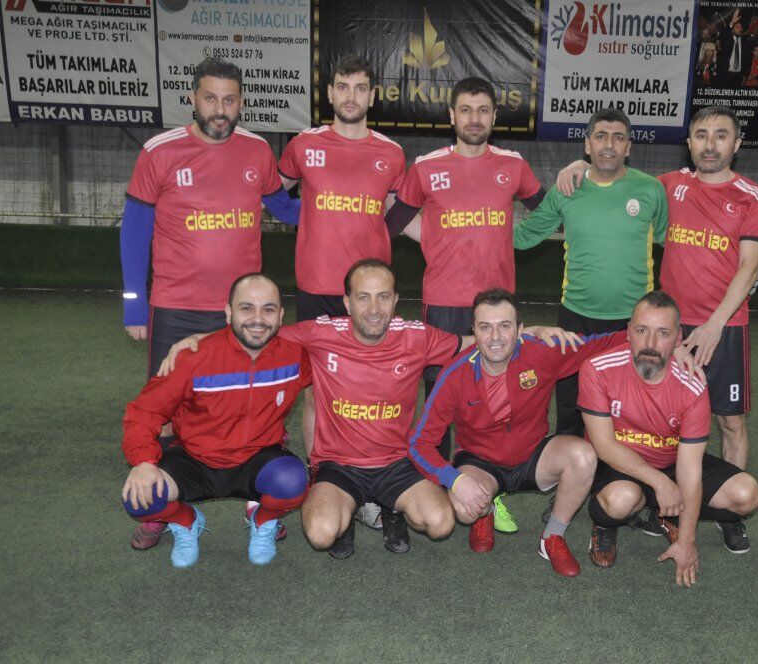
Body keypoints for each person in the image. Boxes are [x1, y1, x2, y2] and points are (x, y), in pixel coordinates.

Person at [161, 260, 579, 558]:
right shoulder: (320, 333)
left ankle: (388, 507)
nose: (374, 309)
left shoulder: (416, 336)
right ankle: (357, 508)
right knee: (321, 534)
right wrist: (201, 339)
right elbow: (258, 331)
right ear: (347, 302)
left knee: (441, 524)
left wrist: (529, 333)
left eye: (383, 298)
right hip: (339, 465)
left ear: (395, 300)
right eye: (363, 297)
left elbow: (480, 341)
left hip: (397, 462)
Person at [120, 57, 300, 550]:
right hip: (176, 305)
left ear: (241, 103)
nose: (220, 109)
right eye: (210, 98)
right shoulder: (160, 152)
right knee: (167, 407)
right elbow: (134, 231)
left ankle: (257, 496)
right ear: (193, 99)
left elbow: (285, 208)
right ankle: (163, 507)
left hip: (244, 314)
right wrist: (135, 304)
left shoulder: (257, 151)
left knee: (251, 401)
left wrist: (342, 208)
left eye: (229, 100)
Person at [385, 76, 545, 531]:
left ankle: (490, 489)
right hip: (444, 305)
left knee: (496, 401)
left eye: (483, 110)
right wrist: (431, 238)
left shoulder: (513, 165)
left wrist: (515, 238)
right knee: (441, 402)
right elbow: (393, 220)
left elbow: (550, 211)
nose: (475, 119)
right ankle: (437, 490)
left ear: (494, 116)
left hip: (496, 312)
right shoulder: (427, 167)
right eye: (466, 110)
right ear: (452, 116)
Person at [408, 289, 630, 577]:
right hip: (481, 463)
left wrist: (652, 337)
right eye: (485, 327)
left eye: (504, 326)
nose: (495, 337)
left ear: (520, 329)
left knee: (584, 456)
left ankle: (552, 536)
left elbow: (601, 344)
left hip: (534, 455)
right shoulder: (454, 374)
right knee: (463, 507)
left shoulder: (542, 351)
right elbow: (419, 444)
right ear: (474, 331)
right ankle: (485, 512)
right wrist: (455, 479)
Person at [278, 54, 406, 530]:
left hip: (369, 297)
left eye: (360, 88)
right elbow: (274, 192)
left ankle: (370, 479)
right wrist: (307, 217)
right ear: (330, 93)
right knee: (317, 392)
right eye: (343, 86)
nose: (351, 96)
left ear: (372, 96)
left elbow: (401, 210)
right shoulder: (304, 145)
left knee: (370, 390)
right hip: (317, 288)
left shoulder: (391, 153)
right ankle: (322, 477)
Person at [120, 274, 310, 568]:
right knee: (140, 499)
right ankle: (185, 521)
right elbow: (144, 411)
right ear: (229, 312)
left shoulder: (296, 356)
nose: (257, 319)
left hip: (257, 457)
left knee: (294, 482)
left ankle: (263, 520)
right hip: (195, 459)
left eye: (268, 309)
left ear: (281, 315)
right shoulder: (193, 357)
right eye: (246, 308)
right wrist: (144, 462)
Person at [578, 291, 758, 586]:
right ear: (628, 332)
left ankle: (664, 516)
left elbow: (689, 467)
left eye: (663, 333)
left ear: (678, 339)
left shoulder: (692, 385)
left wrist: (687, 541)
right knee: (620, 501)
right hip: (619, 465)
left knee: (746, 495)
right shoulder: (597, 369)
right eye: (642, 330)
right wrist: (661, 483)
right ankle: (604, 526)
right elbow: (604, 446)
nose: (650, 343)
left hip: (671, 462)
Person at [656, 106, 758, 551]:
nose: (710, 143)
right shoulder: (669, 185)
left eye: (721, 135)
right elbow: (615, 181)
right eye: (701, 134)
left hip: (724, 327)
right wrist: (578, 166)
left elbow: (749, 267)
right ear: (689, 142)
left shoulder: (753, 197)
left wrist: (714, 326)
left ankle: (728, 515)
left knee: (730, 422)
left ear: (736, 144)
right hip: (669, 327)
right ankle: (664, 504)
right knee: (661, 419)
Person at [513, 108, 668, 439]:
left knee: (627, 408)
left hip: (632, 321)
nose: (609, 145)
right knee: (571, 409)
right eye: (600, 137)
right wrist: (473, 229)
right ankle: (569, 464)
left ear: (629, 147)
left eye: (618, 138)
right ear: (587, 145)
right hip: (576, 319)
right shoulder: (567, 189)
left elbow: (674, 242)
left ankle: (618, 468)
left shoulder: (651, 189)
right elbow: (524, 236)